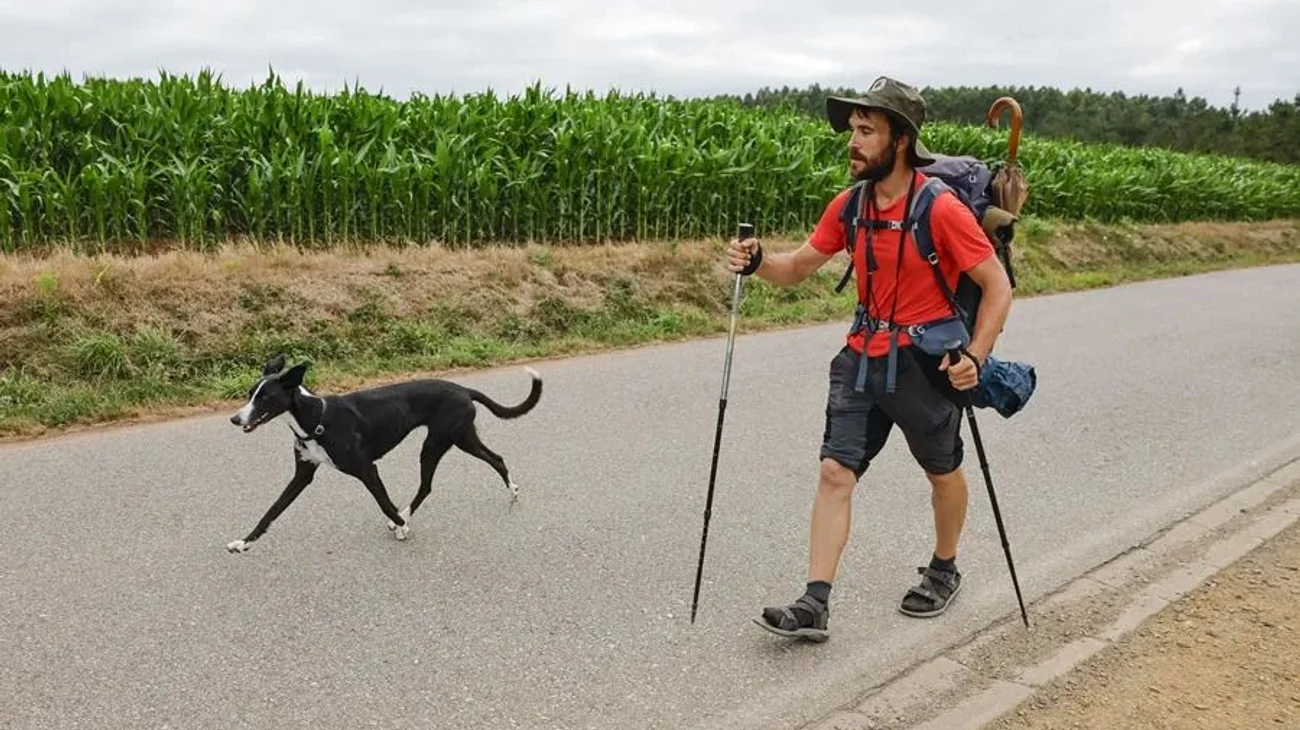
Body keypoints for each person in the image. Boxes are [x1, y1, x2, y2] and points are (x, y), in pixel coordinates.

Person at [726, 76, 1013, 641]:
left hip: (926, 364)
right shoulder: (850, 205)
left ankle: (944, 567)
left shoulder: (942, 209)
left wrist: (977, 357)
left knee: (942, 471)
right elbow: (797, 267)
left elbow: (996, 286)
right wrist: (758, 261)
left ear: (900, 140)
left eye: (866, 131)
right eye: (852, 130)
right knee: (835, 471)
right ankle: (815, 602)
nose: (853, 142)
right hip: (862, 358)